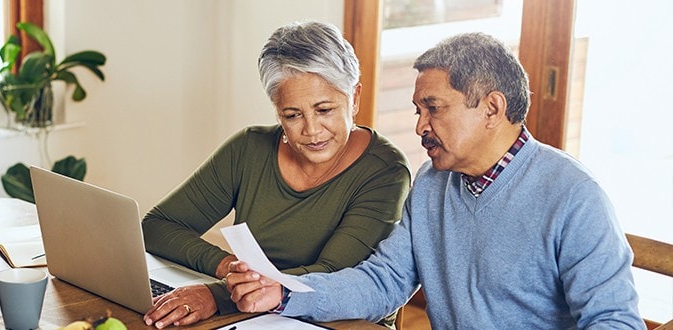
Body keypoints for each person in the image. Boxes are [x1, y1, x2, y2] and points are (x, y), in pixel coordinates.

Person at [226, 32, 645, 328]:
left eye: (433, 108)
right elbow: (384, 281)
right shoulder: (431, 183)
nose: (420, 126)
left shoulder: (573, 196)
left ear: (492, 109)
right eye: (417, 111)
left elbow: (613, 321)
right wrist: (284, 294)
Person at [140, 21, 412, 329]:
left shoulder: (384, 170)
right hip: (251, 315)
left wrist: (218, 296)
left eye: (325, 110)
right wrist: (231, 269)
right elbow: (157, 226)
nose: (311, 131)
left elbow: (334, 274)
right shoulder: (249, 148)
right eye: (292, 115)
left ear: (354, 98)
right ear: (276, 109)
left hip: (339, 322)